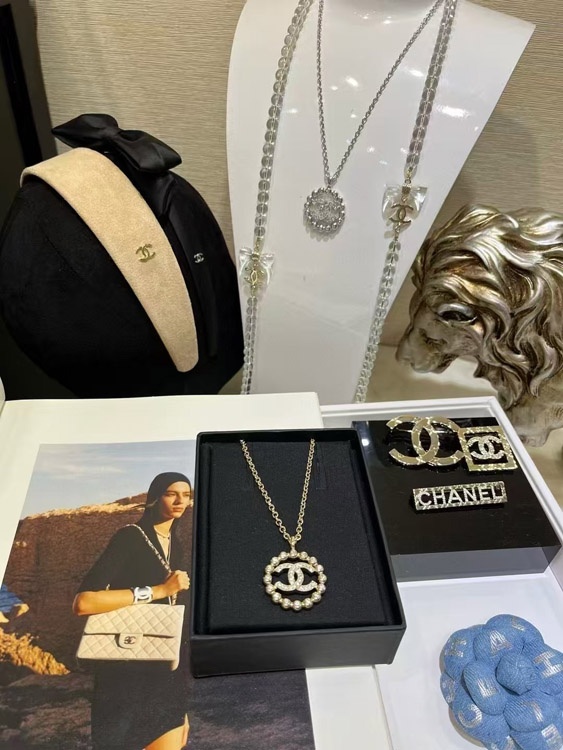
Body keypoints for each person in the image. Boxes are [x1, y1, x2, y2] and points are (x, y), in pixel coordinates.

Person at [73, 472, 192, 750]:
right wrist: (158, 590)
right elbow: (84, 602)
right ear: (154, 499)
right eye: (171, 494)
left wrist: (181, 701)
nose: (180, 501)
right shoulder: (129, 537)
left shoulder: (175, 544)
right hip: (123, 675)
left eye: (186, 495)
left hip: (164, 669)